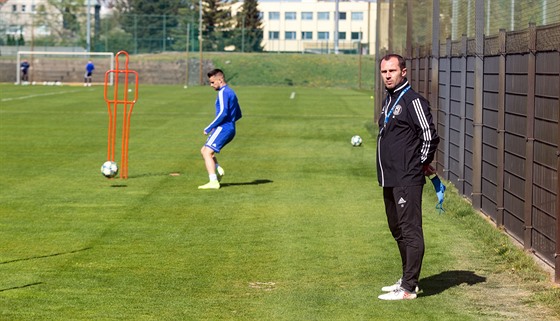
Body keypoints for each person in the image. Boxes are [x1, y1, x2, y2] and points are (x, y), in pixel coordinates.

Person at [376, 54, 439, 300]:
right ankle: (406, 278)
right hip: (390, 178)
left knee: (410, 230)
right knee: (397, 229)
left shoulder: (413, 101)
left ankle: (409, 288)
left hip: (406, 178)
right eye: (384, 72)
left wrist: (419, 165)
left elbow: (429, 136)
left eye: (392, 71)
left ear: (404, 72)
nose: (388, 75)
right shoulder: (389, 100)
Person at [198, 69, 242, 190]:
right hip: (229, 127)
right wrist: (230, 124)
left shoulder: (223, 92)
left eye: (212, 82)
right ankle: (217, 168)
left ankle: (213, 181)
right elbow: (238, 113)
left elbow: (223, 113)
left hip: (224, 127)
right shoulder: (231, 92)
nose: (211, 85)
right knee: (204, 150)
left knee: (207, 152)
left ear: (220, 80)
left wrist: (210, 127)